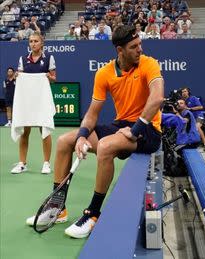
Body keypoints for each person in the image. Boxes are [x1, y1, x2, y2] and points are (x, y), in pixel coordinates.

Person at [25, 25, 164, 239]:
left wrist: (136, 130)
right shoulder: (105, 73)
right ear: (120, 50)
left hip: (148, 129)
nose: (140, 50)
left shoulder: (149, 64)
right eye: (134, 47)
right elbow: (92, 113)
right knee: (64, 141)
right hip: (120, 125)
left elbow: (156, 98)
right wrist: (81, 136)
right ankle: (57, 207)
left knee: (106, 146)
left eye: (140, 45)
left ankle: (93, 214)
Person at [11, 32, 56, 174]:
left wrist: (49, 77)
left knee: (44, 130)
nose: (33, 43)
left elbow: (54, 78)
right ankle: (22, 163)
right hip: (27, 101)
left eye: (36, 41)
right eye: (31, 41)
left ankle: (46, 163)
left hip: (41, 100)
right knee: (25, 131)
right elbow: (18, 76)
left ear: (41, 43)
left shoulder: (49, 58)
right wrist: (17, 75)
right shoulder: (23, 59)